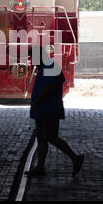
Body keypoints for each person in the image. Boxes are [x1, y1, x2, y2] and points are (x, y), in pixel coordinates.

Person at [25, 46, 84, 177]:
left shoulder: (49, 66)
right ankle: (40, 167)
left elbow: (49, 87)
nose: (31, 61)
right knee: (42, 138)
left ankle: (75, 158)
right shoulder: (48, 66)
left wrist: (37, 102)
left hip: (48, 109)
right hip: (44, 109)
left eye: (32, 58)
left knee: (51, 137)